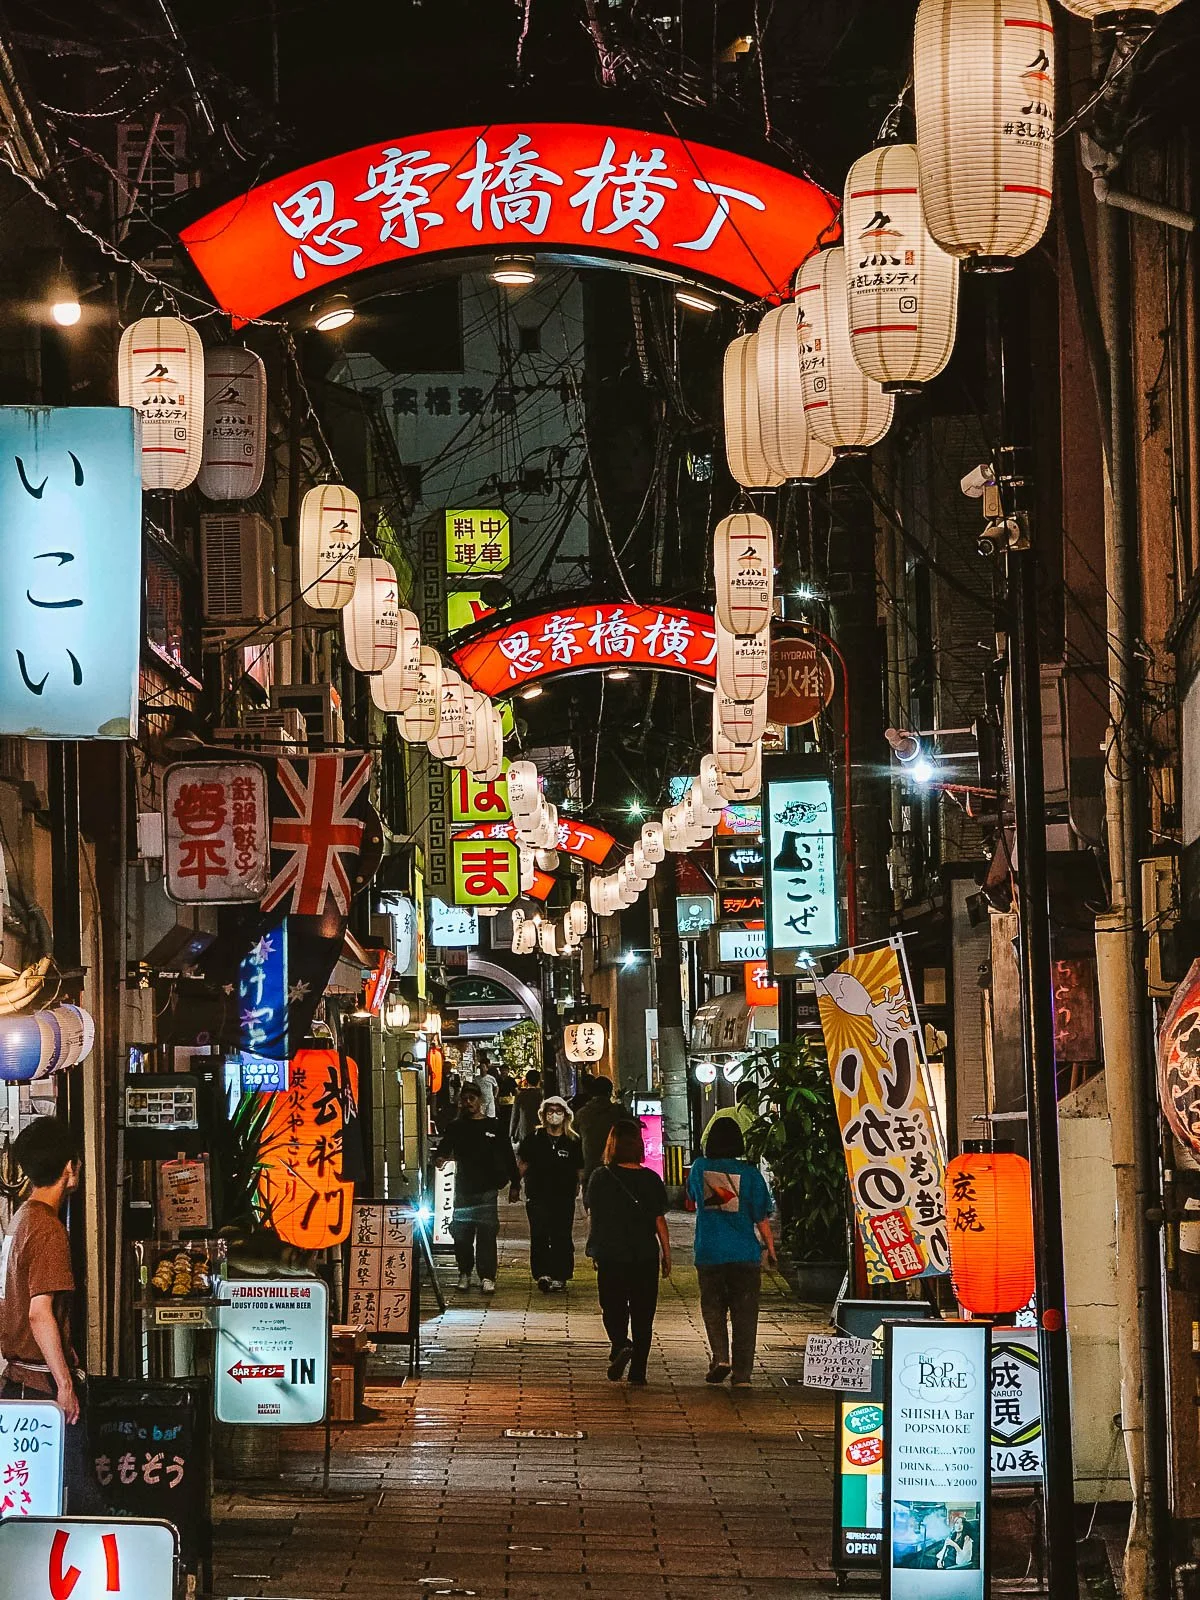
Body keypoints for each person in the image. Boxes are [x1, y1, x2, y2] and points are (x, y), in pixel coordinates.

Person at [0, 1117, 99, 1511]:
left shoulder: (21, 1219)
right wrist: (65, 1386)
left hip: (15, 1383)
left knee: (31, 1500)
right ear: (70, 1168)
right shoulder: (48, 1229)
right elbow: (41, 1313)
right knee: (76, 1500)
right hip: (38, 1388)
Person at [686, 1116, 775, 1388]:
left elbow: (691, 1198)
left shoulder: (700, 1168)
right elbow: (761, 1217)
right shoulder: (750, 1174)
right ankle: (743, 1376)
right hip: (744, 1253)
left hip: (709, 1251)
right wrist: (770, 1248)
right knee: (745, 1314)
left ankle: (721, 1357)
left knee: (712, 1307)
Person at [585, 1122, 670, 1386]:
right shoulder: (651, 1179)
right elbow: (659, 1220)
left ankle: (621, 1344)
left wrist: (594, 1248)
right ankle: (638, 1371)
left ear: (612, 1145)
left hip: (611, 1254)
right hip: (644, 1255)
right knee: (644, 1313)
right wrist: (667, 1253)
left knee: (613, 1307)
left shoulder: (600, 1177)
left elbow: (593, 1216)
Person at [434, 1081, 519, 1293]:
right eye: (465, 1098)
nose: (469, 1102)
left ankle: (487, 1276)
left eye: (472, 1098)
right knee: (461, 1234)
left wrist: (515, 1183)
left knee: (487, 1234)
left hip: (488, 1188)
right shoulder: (456, 1127)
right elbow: (443, 1150)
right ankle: (464, 1272)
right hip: (463, 1188)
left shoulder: (494, 1126)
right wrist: (440, 1159)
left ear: (481, 1100)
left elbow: (508, 1155)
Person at [517, 1097, 584, 1292]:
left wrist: (581, 1186)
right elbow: (523, 1164)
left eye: (558, 1111)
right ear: (544, 1115)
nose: (554, 1115)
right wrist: (514, 1184)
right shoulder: (534, 1138)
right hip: (537, 1194)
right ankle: (542, 1274)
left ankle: (560, 1274)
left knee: (561, 1235)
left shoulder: (572, 1141)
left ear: (565, 1115)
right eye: (550, 1111)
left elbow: (579, 1168)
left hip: (563, 1195)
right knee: (539, 1234)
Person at [576, 1076, 628, 1191]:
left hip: (589, 1167)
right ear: (610, 1093)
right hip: (615, 1167)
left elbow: (574, 1140)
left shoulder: (582, 1114)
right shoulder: (617, 1113)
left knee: (592, 1203)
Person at [700, 1081, 758, 1150]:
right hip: (748, 1160)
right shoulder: (755, 1119)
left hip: (720, 1158)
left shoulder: (720, 1114)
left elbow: (704, 1140)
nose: (758, 1099)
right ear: (748, 1097)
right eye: (756, 1095)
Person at [509, 1069, 543, 1146]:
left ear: (526, 1080)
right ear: (539, 1080)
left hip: (524, 1131)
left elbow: (515, 1115)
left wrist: (512, 1133)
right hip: (539, 1131)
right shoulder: (541, 1095)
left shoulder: (521, 1095)